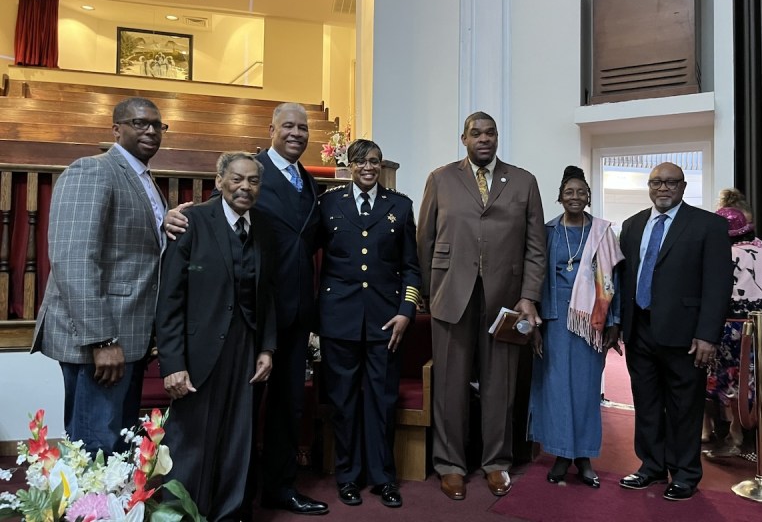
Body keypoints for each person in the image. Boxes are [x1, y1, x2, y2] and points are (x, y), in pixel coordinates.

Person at [164, 102, 327, 516]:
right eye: (287, 126)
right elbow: (172, 295)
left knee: (272, 414)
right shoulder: (229, 193)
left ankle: (266, 492)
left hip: (280, 320)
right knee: (213, 425)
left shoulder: (308, 183)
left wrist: (270, 343)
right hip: (222, 328)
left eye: (303, 127)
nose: (296, 133)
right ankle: (198, 505)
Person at [417, 111, 546, 501]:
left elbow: (535, 246)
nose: (484, 139)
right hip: (451, 297)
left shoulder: (523, 181)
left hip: (505, 299)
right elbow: (424, 239)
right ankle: (450, 465)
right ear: (464, 139)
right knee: (449, 385)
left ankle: (496, 463)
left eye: (490, 133)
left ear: (497, 137)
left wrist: (528, 296)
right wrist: (429, 291)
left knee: (499, 385)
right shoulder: (441, 178)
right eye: (476, 133)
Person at [31, 97, 167, 456]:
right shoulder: (93, 170)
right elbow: (73, 258)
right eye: (139, 123)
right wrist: (102, 340)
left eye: (157, 125)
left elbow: (134, 250)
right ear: (116, 128)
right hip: (101, 341)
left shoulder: (144, 179)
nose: (150, 130)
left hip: (130, 336)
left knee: (119, 446)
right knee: (95, 448)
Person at [156, 152, 277, 522]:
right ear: (220, 180)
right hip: (199, 351)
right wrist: (173, 364)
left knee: (238, 438)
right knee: (191, 441)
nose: (245, 187)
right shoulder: (190, 221)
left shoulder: (264, 227)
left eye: (253, 181)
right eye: (238, 179)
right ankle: (179, 513)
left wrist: (267, 348)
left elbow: (267, 293)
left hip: (245, 348)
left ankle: (230, 512)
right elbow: (170, 298)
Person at [618, 162, 733, 501]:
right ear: (649, 187)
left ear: (683, 187)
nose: (663, 188)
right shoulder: (633, 225)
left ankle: (685, 474)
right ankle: (651, 466)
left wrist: (708, 335)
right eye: (656, 182)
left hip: (687, 335)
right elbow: (624, 278)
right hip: (639, 329)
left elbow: (718, 283)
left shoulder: (708, 225)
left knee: (685, 406)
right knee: (647, 403)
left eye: (670, 182)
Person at [317, 139, 421, 509]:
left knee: (382, 401)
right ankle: (347, 477)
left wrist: (406, 312)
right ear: (349, 164)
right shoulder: (328, 204)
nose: (368, 167)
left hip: (385, 322)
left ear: (382, 166)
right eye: (361, 161)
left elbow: (411, 267)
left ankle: (383, 478)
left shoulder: (401, 206)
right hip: (338, 320)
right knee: (342, 402)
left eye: (374, 161)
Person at [527, 166, 624, 489]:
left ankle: (584, 457)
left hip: (590, 323)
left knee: (584, 391)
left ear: (588, 197)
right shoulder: (547, 231)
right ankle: (560, 455)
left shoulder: (601, 231)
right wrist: (535, 325)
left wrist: (613, 322)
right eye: (569, 192)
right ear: (559, 197)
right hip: (554, 320)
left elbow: (614, 281)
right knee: (555, 391)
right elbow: (535, 279)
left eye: (581, 192)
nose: (575, 197)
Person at [703, 207, 762, 460]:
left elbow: (712, 296)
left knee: (727, 381)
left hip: (729, 328)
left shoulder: (723, 256)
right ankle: (742, 436)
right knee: (754, 379)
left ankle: (734, 436)